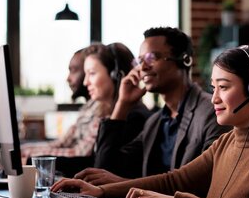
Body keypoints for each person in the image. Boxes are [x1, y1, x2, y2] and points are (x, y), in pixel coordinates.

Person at [52, 45, 249, 198]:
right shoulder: (226, 142)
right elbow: (174, 180)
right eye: (213, 87)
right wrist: (101, 191)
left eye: (224, 87)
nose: (214, 97)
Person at [74, 27, 230, 184]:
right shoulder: (154, 123)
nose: (143, 68)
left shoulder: (212, 113)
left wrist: (128, 186)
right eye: (141, 60)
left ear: (184, 60)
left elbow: (202, 183)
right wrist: (122, 105)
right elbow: (104, 169)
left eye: (151, 58)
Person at [21, 43, 149, 176]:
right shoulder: (104, 110)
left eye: (92, 73)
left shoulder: (135, 118)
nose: (85, 82)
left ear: (115, 76)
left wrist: (33, 160)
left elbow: (101, 169)